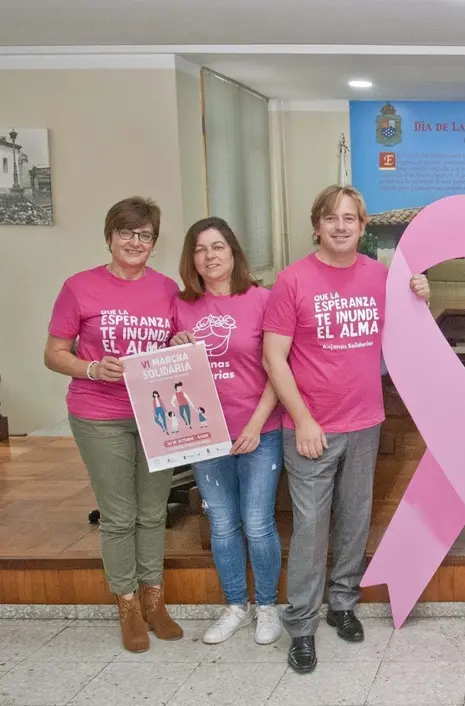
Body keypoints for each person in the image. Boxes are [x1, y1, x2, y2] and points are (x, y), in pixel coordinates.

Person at [262, 185, 430, 674]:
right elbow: (275, 358)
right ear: (316, 224)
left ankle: (341, 603)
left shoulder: (381, 277)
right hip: (310, 427)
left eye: (350, 218)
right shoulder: (292, 281)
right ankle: (302, 627)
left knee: (355, 518)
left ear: (362, 226)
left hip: (365, 422)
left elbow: (414, 332)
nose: (340, 226)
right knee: (312, 530)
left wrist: (422, 292)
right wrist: (305, 420)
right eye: (331, 218)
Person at [43, 196, 184, 652]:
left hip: (157, 415)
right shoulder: (80, 287)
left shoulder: (167, 289)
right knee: (120, 517)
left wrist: (180, 340)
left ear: (154, 243)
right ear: (110, 236)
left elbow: (174, 348)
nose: (135, 241)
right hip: (99, 416)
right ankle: (127, 605)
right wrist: (90, 368)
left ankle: (154, 599)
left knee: (153, 512)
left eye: (145, 235)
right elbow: (54, 353)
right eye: (126, 232)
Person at [172, 217, 285, 646]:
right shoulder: (180, 305)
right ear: (192, 259)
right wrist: (172, 347)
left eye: (218, 246)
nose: (210, 256)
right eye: (200, 249)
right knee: (221, 523)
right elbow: (164, 371)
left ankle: (268, 607)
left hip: (259, 429)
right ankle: (236, 605)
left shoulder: (261, 300)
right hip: (204, 434)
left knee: (257, 523)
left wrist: (257, 425)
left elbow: (279, 367)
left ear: (233, 252)